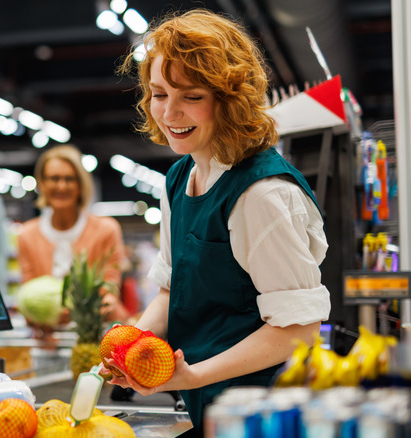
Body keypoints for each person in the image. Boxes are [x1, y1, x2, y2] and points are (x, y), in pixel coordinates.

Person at [103, 9, 331, 436]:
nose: (169, 113)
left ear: (229, 100)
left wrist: (193, 376)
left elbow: (298, 330)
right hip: (209, 407)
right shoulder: (178, 178)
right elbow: (174, 289)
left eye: (191, 96)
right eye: (158, 93)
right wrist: (128, 343)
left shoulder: (261, 194)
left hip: (266, 413)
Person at [17, 144, 130, 338]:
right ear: (42, 184)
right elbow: (29, 291)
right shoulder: (27, 234)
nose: (62, 186)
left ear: (80, 185)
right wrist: (39, 314)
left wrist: (101, 306)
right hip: (50, 339)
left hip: (101, 336)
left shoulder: (106, 229)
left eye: (69, 179)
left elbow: (110, 286)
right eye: (54, 179)